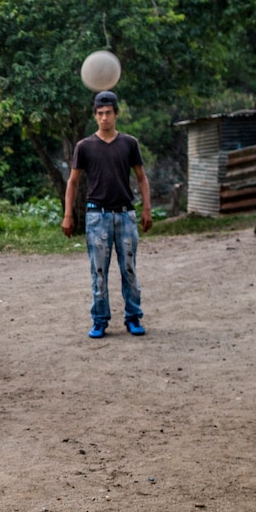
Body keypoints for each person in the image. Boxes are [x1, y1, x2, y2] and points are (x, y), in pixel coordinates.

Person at [61, 90, 153, 338]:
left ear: (116, 114)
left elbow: (141, 178)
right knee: (99, 271)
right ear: (95, 115)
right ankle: (100, 319)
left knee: (129, 269)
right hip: (97, 217)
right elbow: (72, 182)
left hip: (125, 215)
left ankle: (133, 317)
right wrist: (68, 215)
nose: (104, 118)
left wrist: (146, 209)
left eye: (108, 113)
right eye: (100, 113)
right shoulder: (85, 147)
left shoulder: (129, 143)